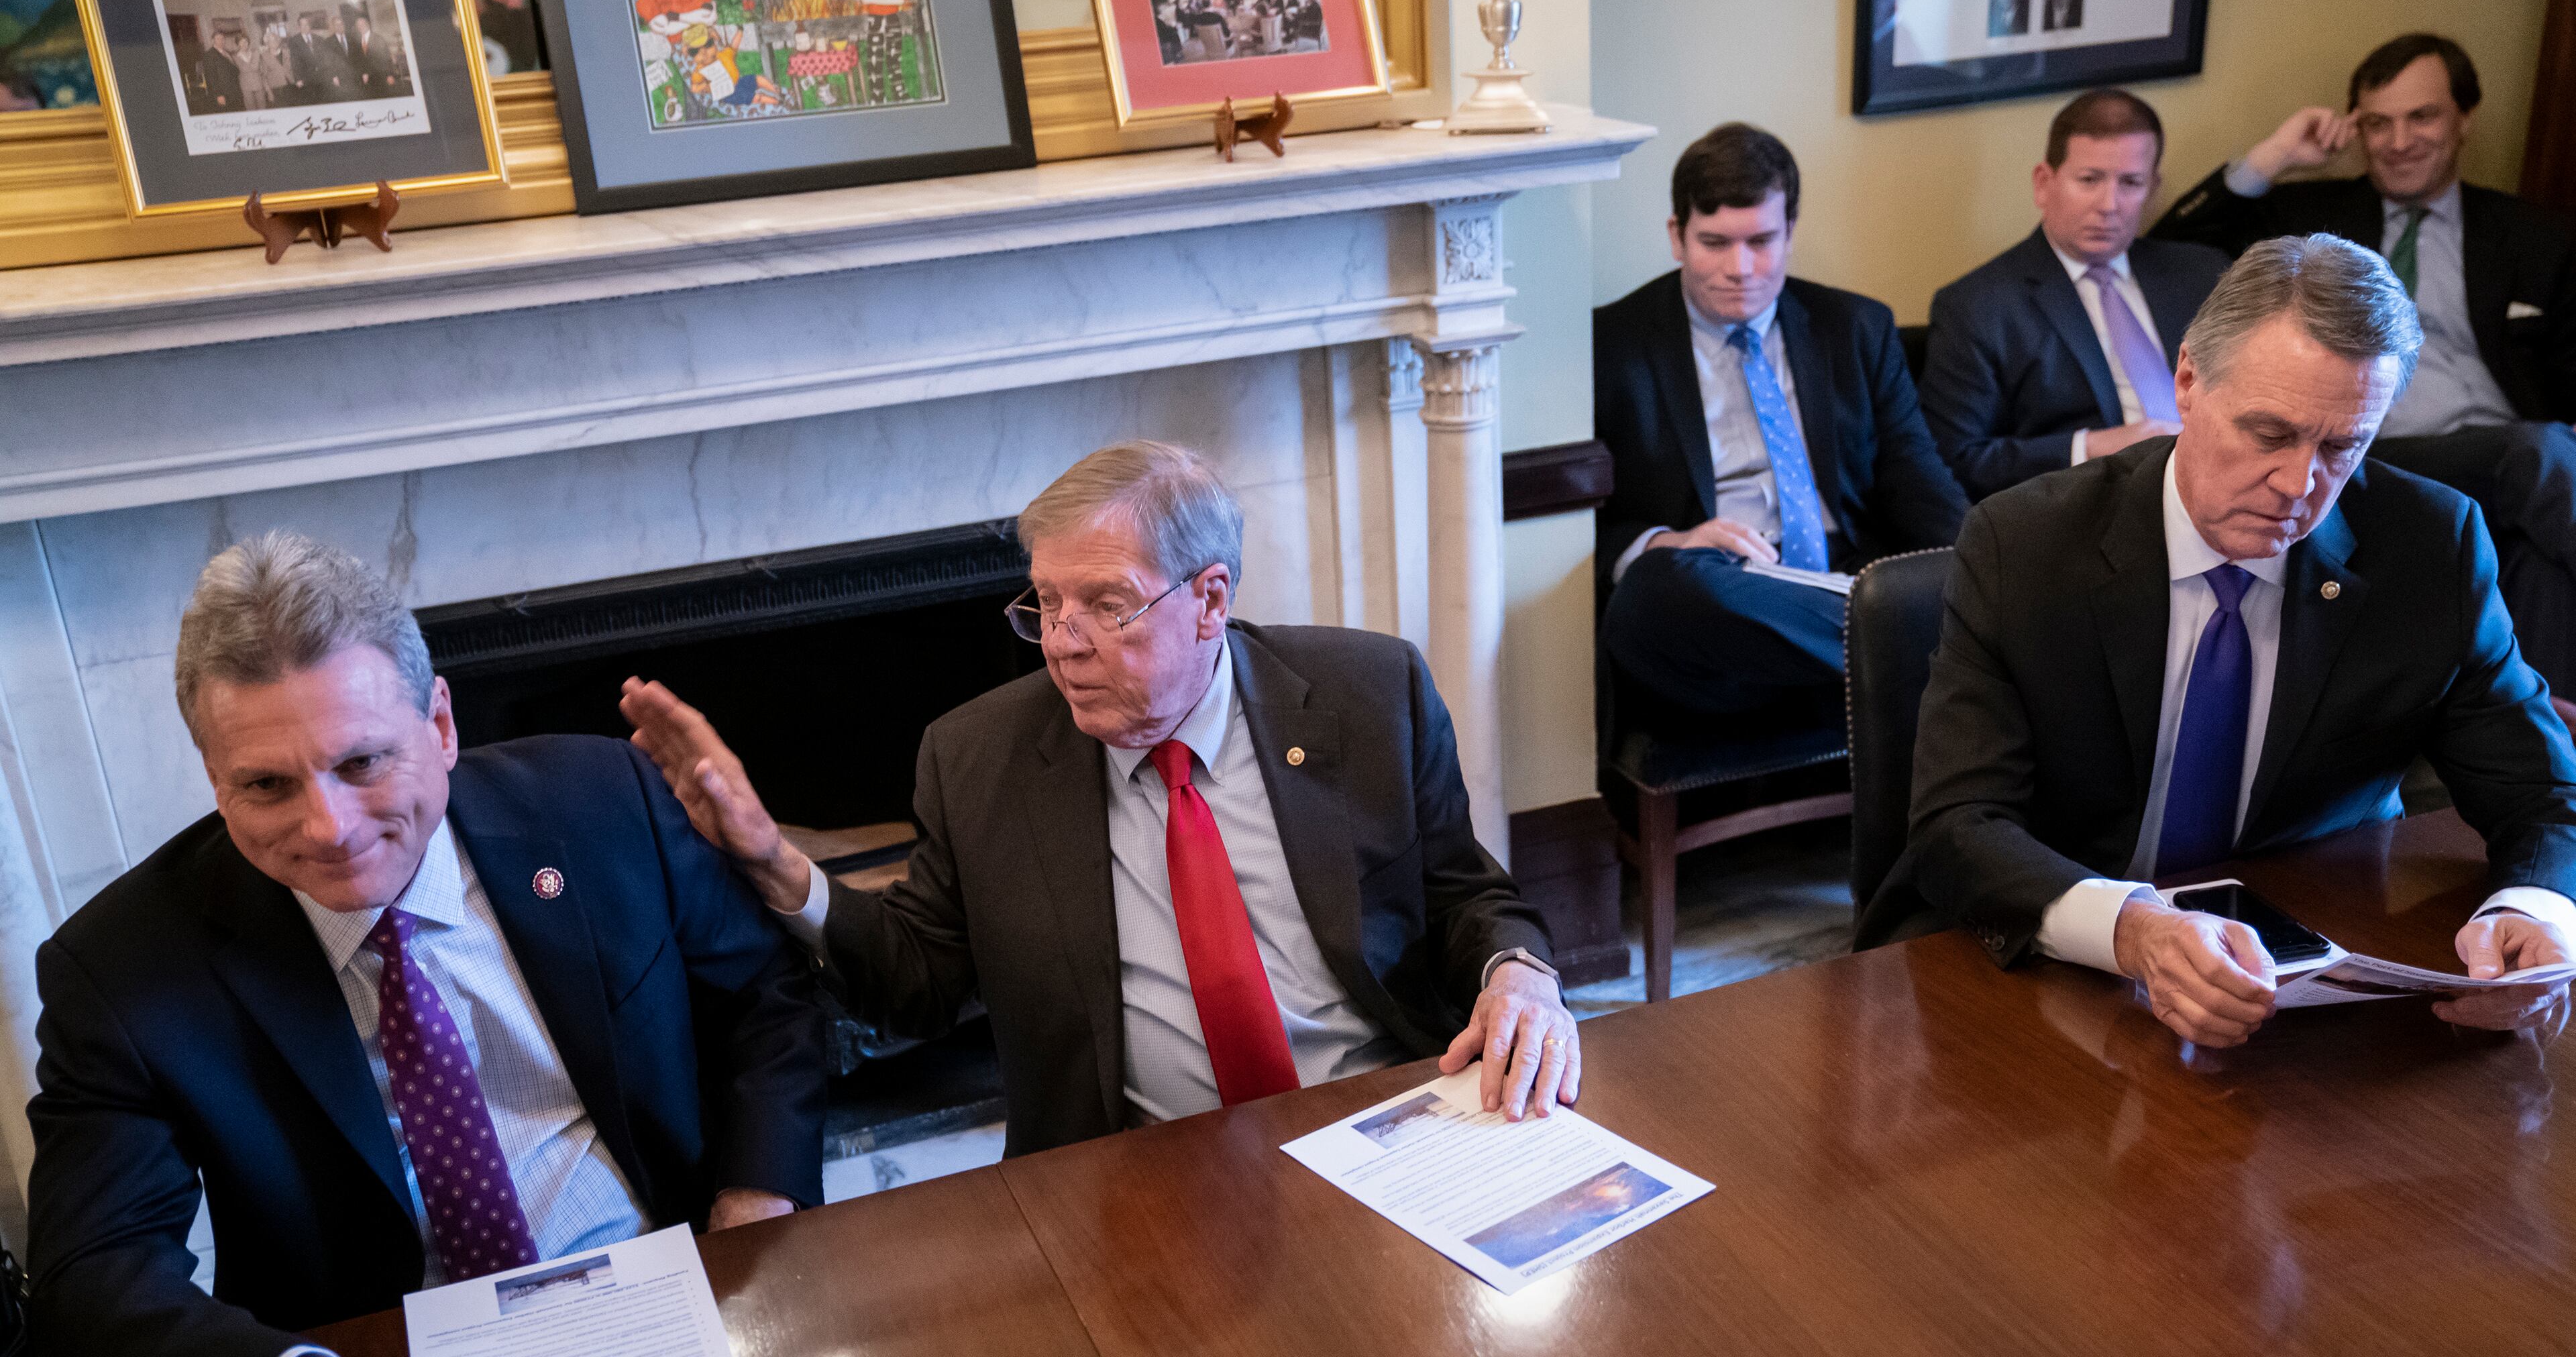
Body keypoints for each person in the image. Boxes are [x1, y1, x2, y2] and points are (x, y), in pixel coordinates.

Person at [621, 442, 1578, 1155]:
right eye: (1045, 604)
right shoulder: (981, 757)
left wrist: (1519, 976)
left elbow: (1466, 898)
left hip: (1386, 1127)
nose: (1063, 643)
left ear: (1210, 600)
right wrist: (771, 860)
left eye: (1107, 605)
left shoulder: (1371, 695)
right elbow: (912, 982)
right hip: (1141, 1166)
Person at [25, 533, 824, 1356]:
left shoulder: (603, 805)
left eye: (364, 761)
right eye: (267, 785)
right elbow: (93, 1268)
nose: (329, 829)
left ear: (441, 725)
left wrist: (755, 1203)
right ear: (213, 775)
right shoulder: (120, 969)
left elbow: (767, 997)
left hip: (670, 1294)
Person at [1860, 235, 2576, 1048]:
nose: (2299, 485)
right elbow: (1958, 827)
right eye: (2270, 433)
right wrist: (2132, 929)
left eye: (2342, 447)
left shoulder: (2430, 546)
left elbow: (2545, 793)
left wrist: (2538, 911)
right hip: (2054, 973)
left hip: (2305, 977)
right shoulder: (2025, 546)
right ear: (2189, 381)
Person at [2153, 33, 2576, 705]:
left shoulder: (2532, 234)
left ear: (2465, 118)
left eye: (2422, 117)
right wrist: (2278, 156)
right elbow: (2170, 252)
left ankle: (2554, 738)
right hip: (2361, 454)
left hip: (2503, 470)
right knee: (2542, 451)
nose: (2399, 140)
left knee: (2541, 555)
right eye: (2377, 123)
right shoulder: (2312, 220)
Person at [1595, 123, 1968, 724]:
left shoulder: (1855, 328)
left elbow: (1917, 479)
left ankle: (1875, 625)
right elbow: (1580, 532)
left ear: (1791, 231)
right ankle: (1891, 633)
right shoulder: (1612, 347)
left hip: (1841, 574)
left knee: (1974, 581)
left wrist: (1980, 570)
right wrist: (1669, 542)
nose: (1739, 268)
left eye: (1760, 241)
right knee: (1656, 590)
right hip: (1715, 604)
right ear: (1676, 237)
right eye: (1713, 242)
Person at [1919, 89, 2230, 500]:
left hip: (2221, 487)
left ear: (2153, 187)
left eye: (2131, 183)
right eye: (2089, 180)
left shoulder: (2202, 273)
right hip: (2091, 506)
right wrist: (2090, 448)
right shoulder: (1979, 305)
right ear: (2045, 183)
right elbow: (1956, 459)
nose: (2109, 205)